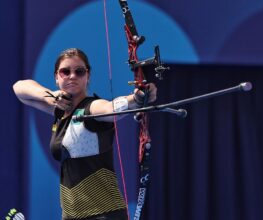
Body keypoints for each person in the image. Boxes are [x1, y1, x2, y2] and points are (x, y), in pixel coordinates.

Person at [13, 48, 157, 220]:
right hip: (72, 215)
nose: (72, 76)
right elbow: (19, 88)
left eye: (79, 71)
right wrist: (49, 97)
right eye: (65, 71)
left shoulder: (92, 107)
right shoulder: (59, 111)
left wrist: (136, 99)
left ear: (87, 76)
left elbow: (111, 109)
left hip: (104, 214)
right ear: (56, 77)